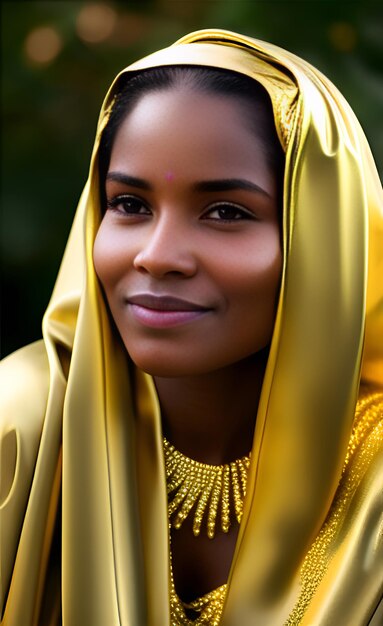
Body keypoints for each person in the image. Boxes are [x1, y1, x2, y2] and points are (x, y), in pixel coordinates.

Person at [1, 28, 382, 626]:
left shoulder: (374, 479)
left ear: (321, 240)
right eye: (129, 204)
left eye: (226, 212)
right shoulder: (20, 424)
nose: (157, 255)